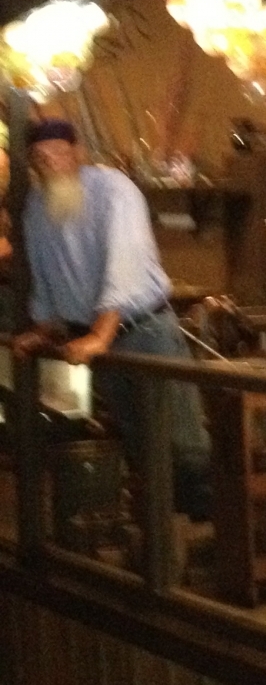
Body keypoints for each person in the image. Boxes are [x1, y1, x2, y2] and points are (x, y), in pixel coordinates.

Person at [9, 118, 212, 520]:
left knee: (183, 443)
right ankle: (161, 536)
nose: (51, 164)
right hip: (96, 340)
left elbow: (124, 264)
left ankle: (207, 530)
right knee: (138, 441)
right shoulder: (36, 207)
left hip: (145, 331)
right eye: (40, 158)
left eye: (59, 153)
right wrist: (44, 326)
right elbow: (44, 272)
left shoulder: (114, 190)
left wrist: (100, 334)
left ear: (78, 153)